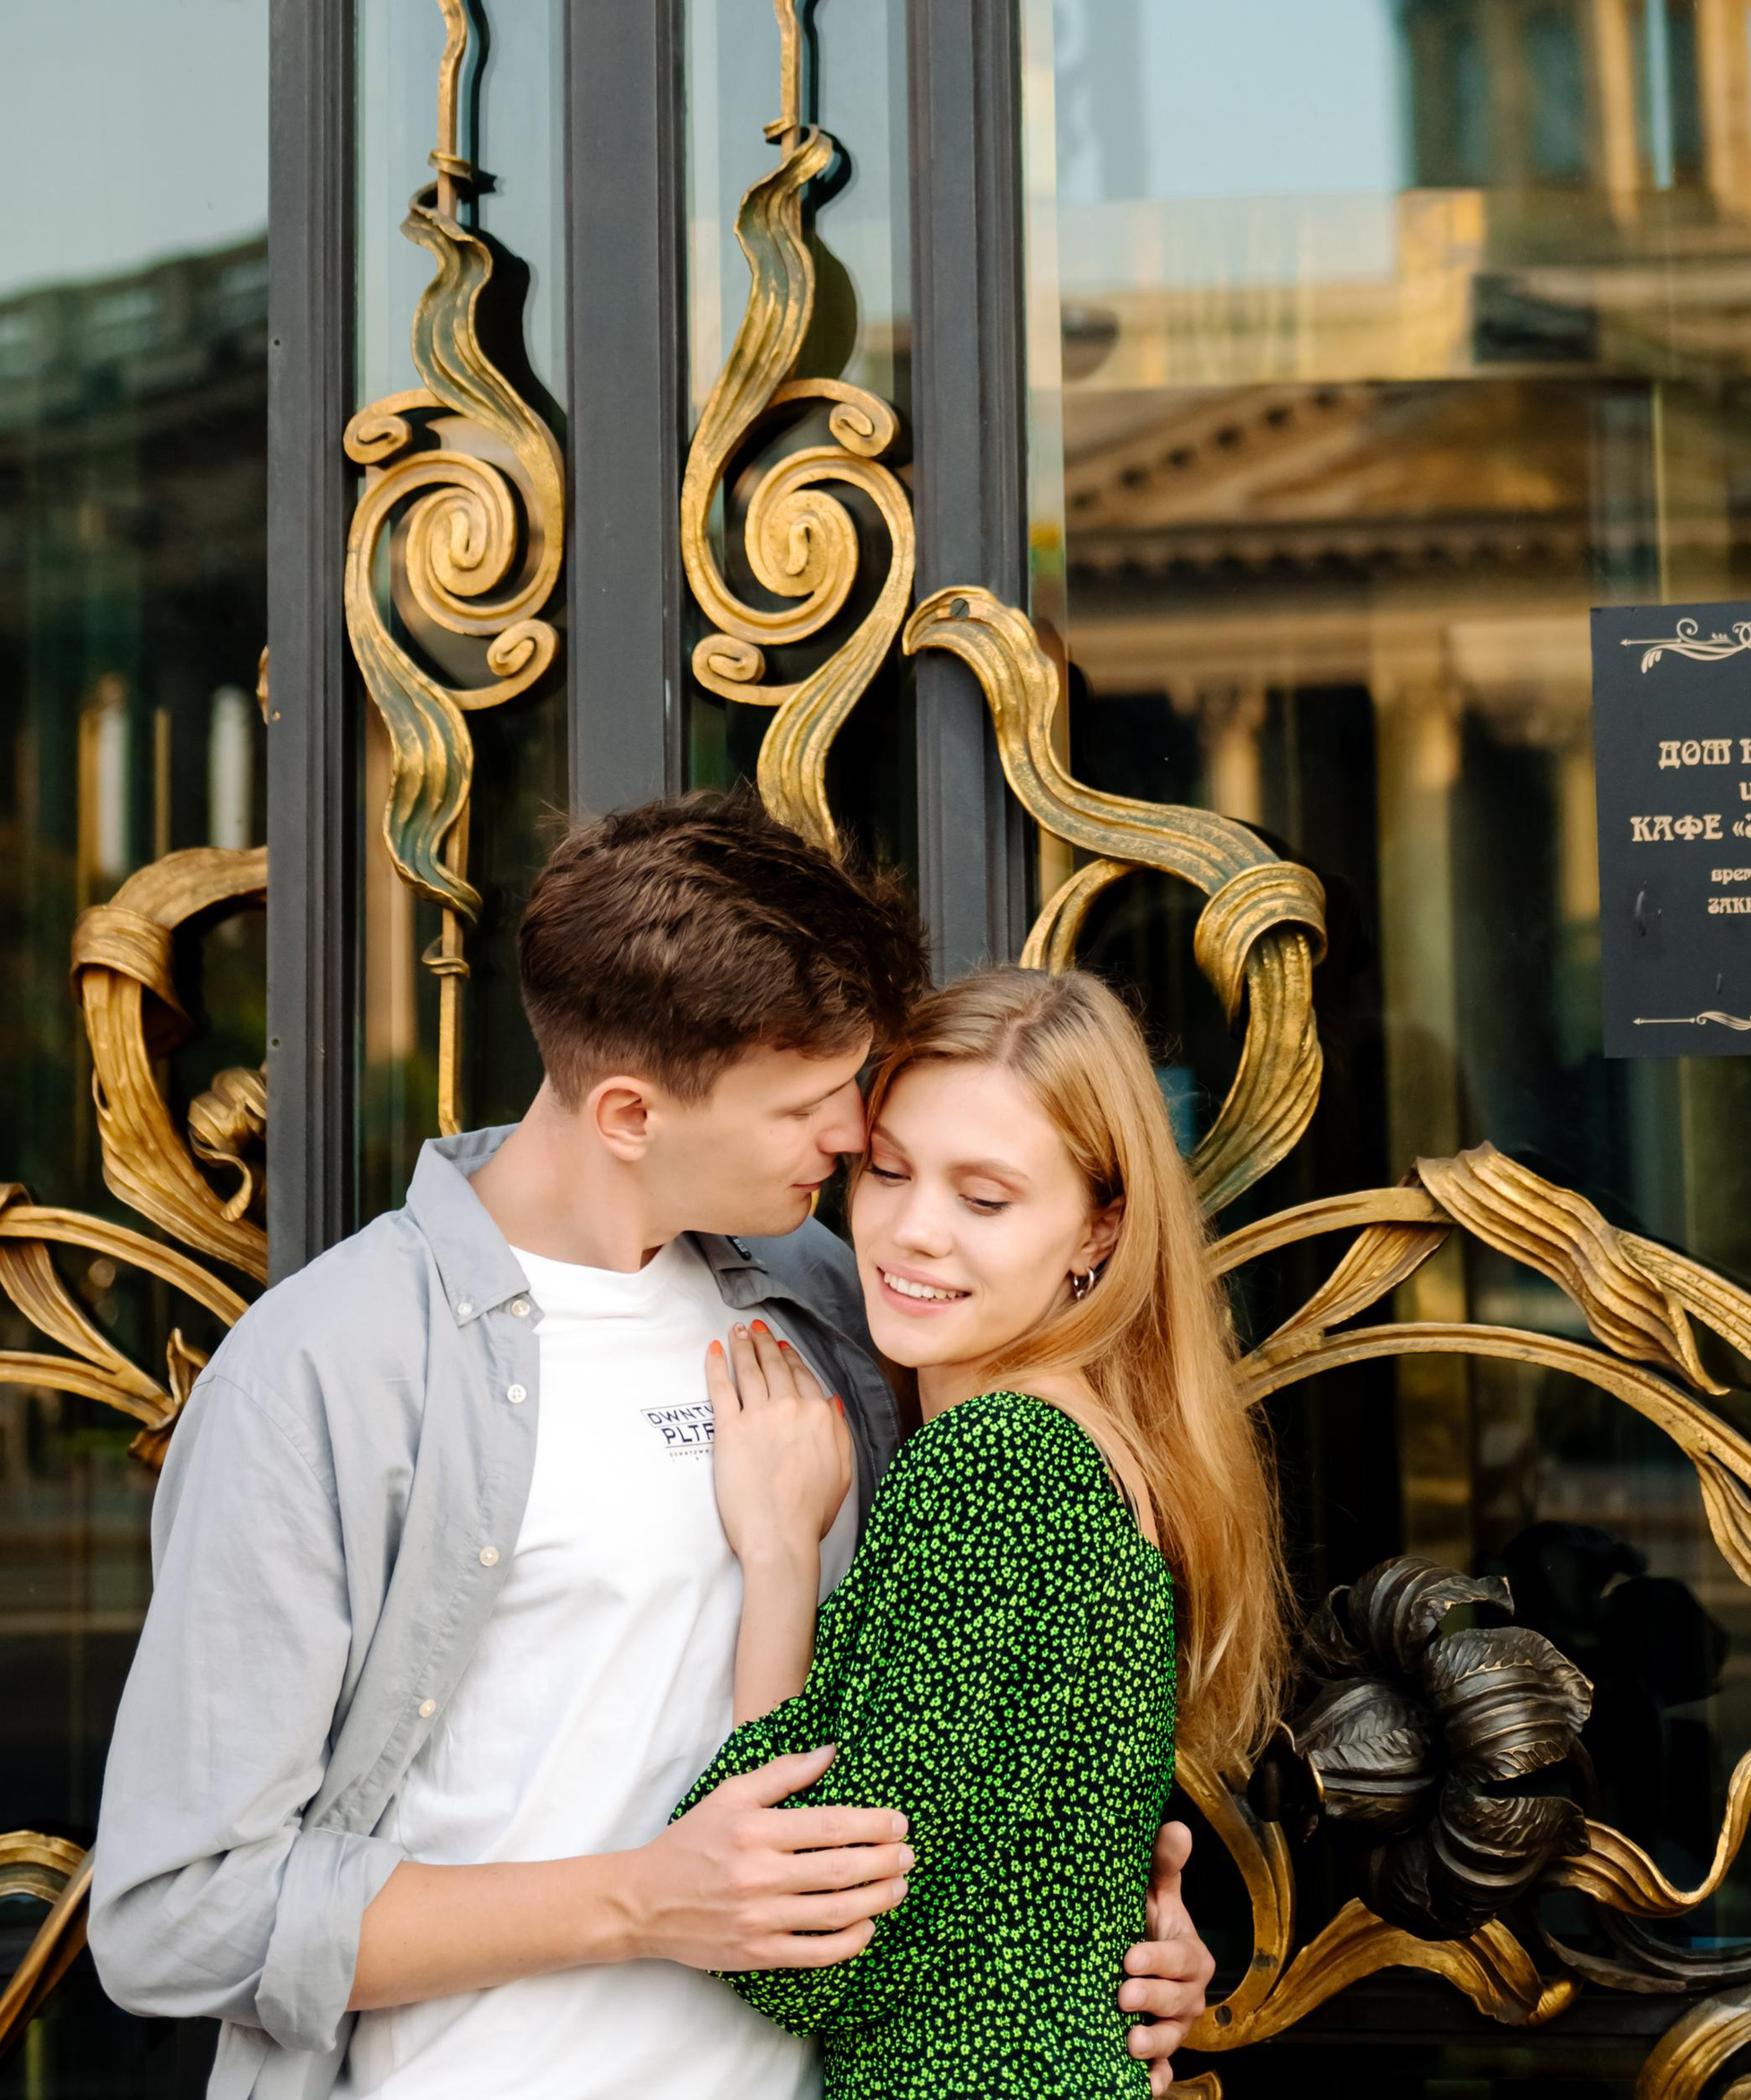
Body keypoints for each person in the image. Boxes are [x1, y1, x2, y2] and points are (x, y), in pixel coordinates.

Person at [89, 792, 1219, 2100]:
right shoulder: (323, 1373)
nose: (856, 1141)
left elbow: (966, 1732)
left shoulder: (851, 1307)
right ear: (629, 1112)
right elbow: (177, 1916)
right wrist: (637, 1900)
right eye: (810, 1103)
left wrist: (1081, 1948)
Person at [676, 963, 1290, 2100]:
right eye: (889, 1171)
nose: (912, 1233)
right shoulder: (1091, 1448)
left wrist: (778, 1557)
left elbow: (801, 1929)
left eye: (985, 1197)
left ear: (1100, 1227)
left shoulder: (999, 1466)